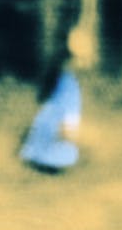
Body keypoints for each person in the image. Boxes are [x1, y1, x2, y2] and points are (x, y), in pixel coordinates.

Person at [20, 29, 95, 173]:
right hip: (56, 115)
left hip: (51, 112)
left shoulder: (62, 70)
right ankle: (49, 159)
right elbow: (68, 106)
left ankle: (42, 157)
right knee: (59, 140)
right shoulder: (66, 77)